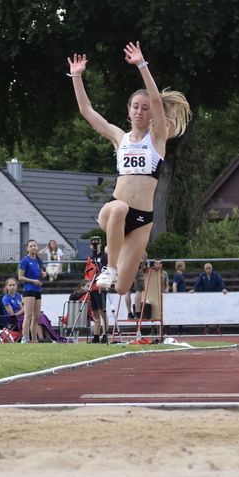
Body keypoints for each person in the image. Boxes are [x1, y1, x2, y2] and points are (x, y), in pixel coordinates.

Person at [67, 41, 191, 295]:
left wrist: (142, 65)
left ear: (152, 115)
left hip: (142, 220)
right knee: (121, 207)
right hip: (113, 210)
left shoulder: (157, 139)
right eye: (135, 107)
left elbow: (156, 99)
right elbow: (86, 111)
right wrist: (76, 76)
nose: (140, 111)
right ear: (128, 110)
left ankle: (117, 259)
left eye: (145, 109)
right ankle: (109, 266)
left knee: (122, 289)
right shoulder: (118, 137)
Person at [18, 239, 47, 343]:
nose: (33, 247)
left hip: (38, 290)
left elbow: (42, 273)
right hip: (29, 290)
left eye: (34, 245)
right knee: (28, 315)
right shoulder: (25, 260)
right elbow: (20, 277)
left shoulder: (39, 261)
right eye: (30, 246)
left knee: (36, 317)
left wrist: (44, 274)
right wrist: (32, 281)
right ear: (27, 248)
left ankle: (34, 340)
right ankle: (25, 338)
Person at [83, 241, 108, 344]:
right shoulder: (90, 258)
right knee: (95, 314)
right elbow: (87, 273)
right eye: (93, 245)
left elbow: (106, 270)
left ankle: (105, 334)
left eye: (97, 244)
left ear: (100, 245)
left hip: (100, 288)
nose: (95, 246)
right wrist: (86, 285)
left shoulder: (104, 257)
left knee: (102, 312)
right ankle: (96, 336)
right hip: (92, 288)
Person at [125, 252, 147, 319]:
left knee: (127, 291)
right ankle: (137, 313)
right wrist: (142, 265)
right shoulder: (137, 242)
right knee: (138, 290)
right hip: (137, 267)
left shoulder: (124, 244)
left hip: (126, 268)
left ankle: (129, 313)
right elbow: (145, 255)